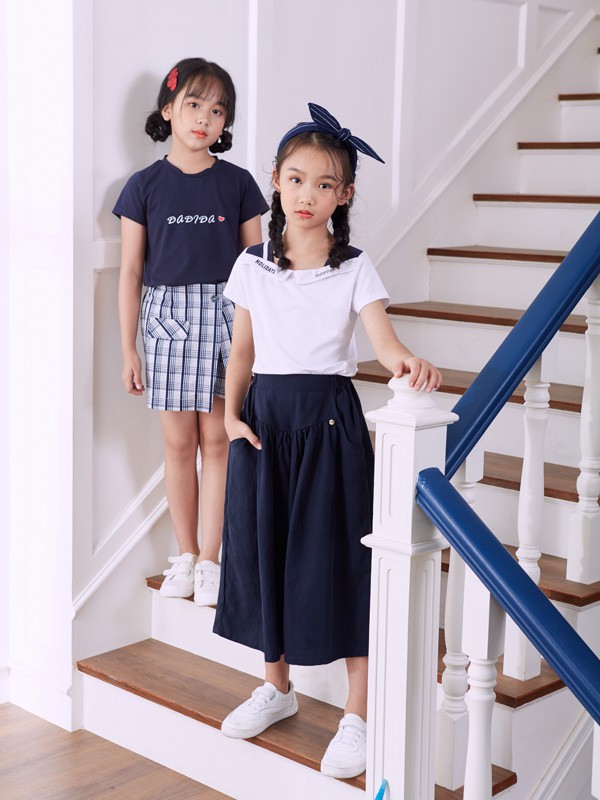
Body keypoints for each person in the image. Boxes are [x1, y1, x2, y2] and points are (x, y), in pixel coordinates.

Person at [213, 103, 443, 779]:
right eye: (295, 179)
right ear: (275, 181)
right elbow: (242, 351)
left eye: (323, 184)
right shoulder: (252, 264)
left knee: (341, 561)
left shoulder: (355, 267)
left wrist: (408, 363)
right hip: (265, 422)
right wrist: (230, 417)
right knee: (264, 551)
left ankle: (357, 715)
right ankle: (276, 687)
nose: (306, 194)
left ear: (344, 194)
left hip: (330, 425)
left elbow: (383, 343)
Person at [114, 58, 268, 606]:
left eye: (217, 110)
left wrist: (258, 337)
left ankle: (211, 562)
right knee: (179, 445)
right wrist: (129, 347)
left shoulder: (239, 183)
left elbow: (256, 266)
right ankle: (185, 555)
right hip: (167, 321)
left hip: (227, 316)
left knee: (218, 442)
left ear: (226, 122)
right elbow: (130, 272)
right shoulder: (143, 186)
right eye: (194, 105)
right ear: (168, 110)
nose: (205, 118)